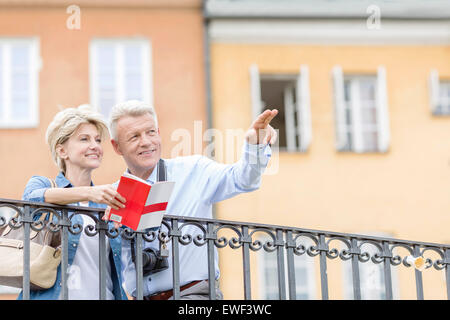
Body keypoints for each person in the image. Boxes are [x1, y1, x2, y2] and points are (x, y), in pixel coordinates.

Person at [106, 100, 278, 300]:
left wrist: (254, 147)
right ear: (117, 147)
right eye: (134, 136)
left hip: (193, 296)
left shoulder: (193, 170)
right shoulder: (113, 195)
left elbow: (243, 179)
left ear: (159, 133)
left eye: (151, 132)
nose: (146, 141)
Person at [18, 104, 127, 300]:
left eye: (98, 140)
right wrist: (89, 193)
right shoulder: (43, 183)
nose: (95, 146)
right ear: (62, 151)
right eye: (84, 139)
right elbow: (31, 198)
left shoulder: (105, 202)